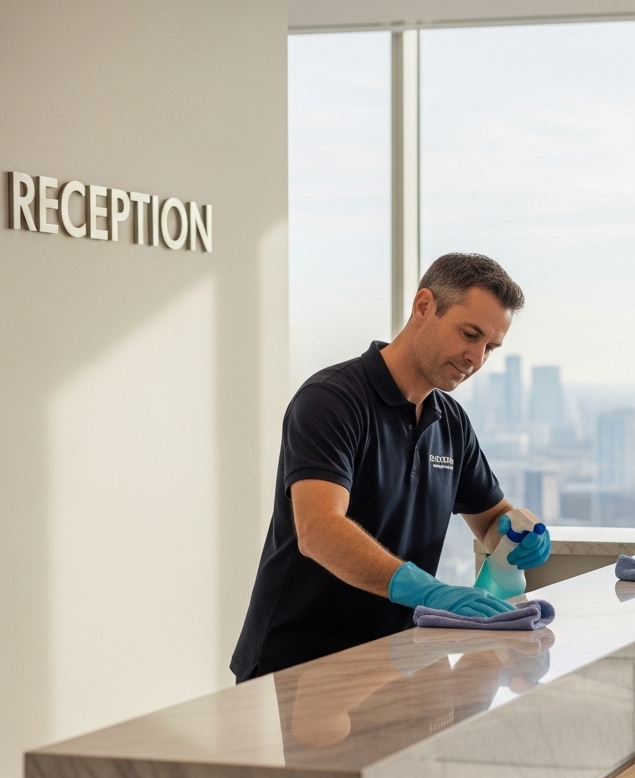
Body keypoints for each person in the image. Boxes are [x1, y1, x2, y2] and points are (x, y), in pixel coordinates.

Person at [231, 253, 553, 683]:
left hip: (394, 660)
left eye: (489, 348)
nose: (475, 358)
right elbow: (319, 530)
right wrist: (428, 590)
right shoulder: (331, 401)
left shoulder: (450, 422)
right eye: (469, 334)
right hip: (301, 664)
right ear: (424, 307)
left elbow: (492, 518)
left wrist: (515, 532)